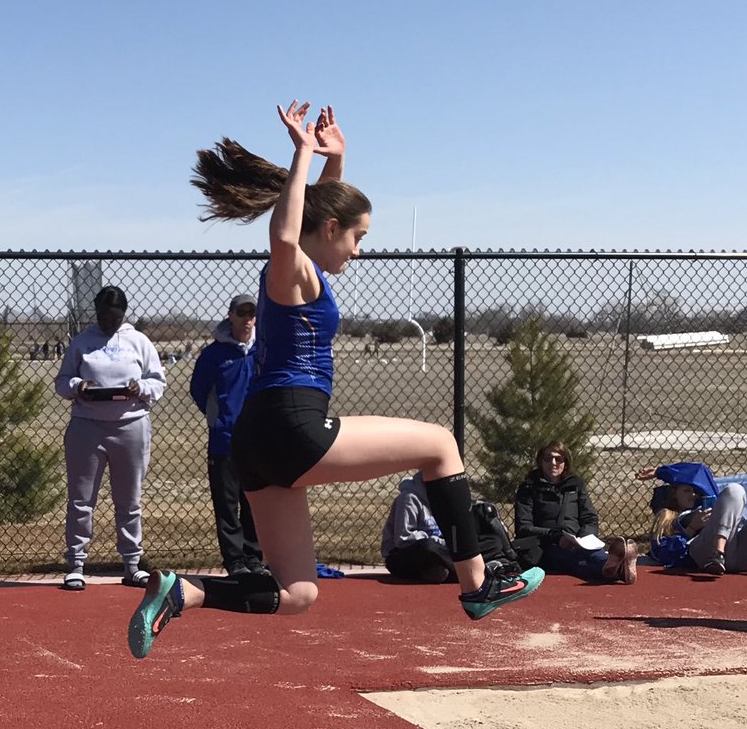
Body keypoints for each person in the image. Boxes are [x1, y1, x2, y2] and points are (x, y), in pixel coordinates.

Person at [127, 100, 542, 659]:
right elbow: (286, 233)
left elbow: (314, 218)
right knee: (441, 444)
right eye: (358, 236)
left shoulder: (306, 269)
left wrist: (335, 161)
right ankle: (479, 582)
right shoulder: (291, 269)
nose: (360, 248)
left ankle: (186, 592)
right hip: (291, 424)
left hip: (255, 442)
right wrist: (301, 154)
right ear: (328, 230)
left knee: (297, 593)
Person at [54, 285, 166, 591]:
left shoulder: (139, 341)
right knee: (80, 500)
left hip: (130, 426)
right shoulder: (82, 342)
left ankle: (132, 564)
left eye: (114, 317)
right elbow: (61, 383)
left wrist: (139, 388)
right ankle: (76, 564)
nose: (108, 322)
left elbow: (158, 383)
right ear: (96, 313)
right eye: (104, 316)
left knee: (129, 501)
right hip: (87, 427)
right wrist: (79, 386)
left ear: (123, 314)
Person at [189, 293, 266, 577]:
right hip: (224, 441)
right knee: (227, 503)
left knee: (255, 502)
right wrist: (218, 420)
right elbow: (198, 390)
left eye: (251, 313)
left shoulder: (264, 349)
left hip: (258, 440)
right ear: (230, 315)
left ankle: (253, 557)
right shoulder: (213, 354)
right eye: (242, 313)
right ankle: (234, 561)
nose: (247, 319)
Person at [512, 441, 637, 584]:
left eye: (558, 459)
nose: (553, 463)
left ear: (565, 462)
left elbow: (589, 517)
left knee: (591, 553)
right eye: (547, 459)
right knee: (572, 561)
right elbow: (523, 527)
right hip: (546, 544)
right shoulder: (528, 487)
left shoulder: (575, 485)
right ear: (540, 461)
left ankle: (613, 566)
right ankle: (616, 569)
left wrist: (583, 538)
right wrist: (556, 537)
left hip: (577, 540)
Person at [636, 461, 747, 578]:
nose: (694, 495)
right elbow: (661, 552)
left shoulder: (707, 503)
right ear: (674, 493)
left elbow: (699, 470)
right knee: (735, 489)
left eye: (696, 491)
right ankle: (717, 554)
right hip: (704, 555)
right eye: (687, 490)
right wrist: (690, 529)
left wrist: (659, 471)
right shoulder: (668, 514)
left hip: (740, 554)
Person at [380, 471, 520, 584]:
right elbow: (403, 539)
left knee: (493, 541)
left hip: (444, 550)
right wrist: (439, 542)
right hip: (406, 553)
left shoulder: (446, 498)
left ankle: (445, 571)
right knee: (428, 547)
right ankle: (466, 571)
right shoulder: (409, 498)